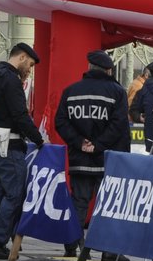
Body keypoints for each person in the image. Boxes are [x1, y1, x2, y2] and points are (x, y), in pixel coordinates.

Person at [53, 50, 130, 248]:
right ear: (109, 70)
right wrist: (99, 145)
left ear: (89, 68)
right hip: (107, 159)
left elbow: (60, 122)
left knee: (79, 202)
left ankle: (71, 246)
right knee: (108, 205)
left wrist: (79, 142)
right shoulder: (117, 92)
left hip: (80, 158)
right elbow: (119, 124)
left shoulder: (71, 91)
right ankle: (109, 251)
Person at [0, 42, 43, 261]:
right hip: (12, 144)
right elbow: (20, 115)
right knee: (14, 193)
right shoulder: (12, 80)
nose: (30, 69)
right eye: (31, 64)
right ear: (23, 57)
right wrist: (39, 139)